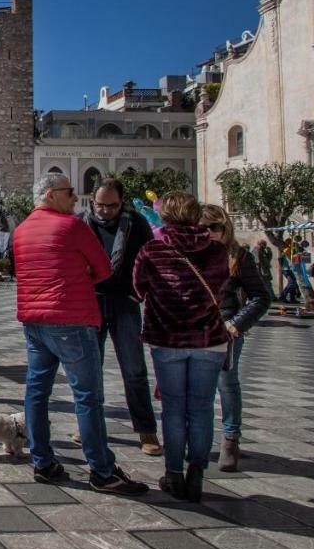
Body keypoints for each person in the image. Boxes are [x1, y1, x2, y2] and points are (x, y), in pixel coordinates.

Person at [13, 172, 147, 495]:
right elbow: (104, 269)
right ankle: (101, 470)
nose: (76, 198)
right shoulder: (72, 227)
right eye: (70, 192)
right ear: (49, 195)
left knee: (36, 391)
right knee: (88, 396)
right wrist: (80, 271)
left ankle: (42, 462)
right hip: (72, 319)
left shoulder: (20, 231)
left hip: (34, 321)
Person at [133, 192, 231, 502]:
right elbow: (222, 286)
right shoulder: (217, 251)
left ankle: (173, 473)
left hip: (167, 338)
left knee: (173, 409)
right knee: (201, 408)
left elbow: (138, 289)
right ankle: (197, 472)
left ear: (164, 217)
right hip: (209, 339)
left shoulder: (151, 250)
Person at [80, 178, 161, 456]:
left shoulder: (136, 224)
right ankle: (89, 427)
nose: (105, 211)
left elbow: (150, 260)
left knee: (134, 369)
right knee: (90, 370)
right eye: (100, 205)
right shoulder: (81, 224)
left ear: (121, 202)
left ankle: (146, 430)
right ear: (92, 200)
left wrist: (138, 295)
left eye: (111, 206)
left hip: (125, 303)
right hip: (92, 303)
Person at [200, 205, 271, 472]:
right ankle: (198, 440)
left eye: (214, 228)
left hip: (225, 329)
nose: (208, 233)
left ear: (224, 228)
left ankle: (230, 438)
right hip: (194, 330)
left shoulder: (238, 257)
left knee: (226, 384)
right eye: (202, 228)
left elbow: (261, 297)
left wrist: (236, 324)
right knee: (197, 389)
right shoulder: (190, 256)